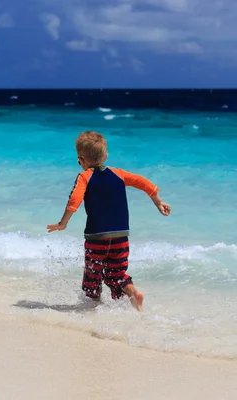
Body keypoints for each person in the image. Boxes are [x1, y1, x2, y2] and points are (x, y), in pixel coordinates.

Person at [46, 131, 171, 312]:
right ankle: (132, 293)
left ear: (81, 159)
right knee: (116, 273)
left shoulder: (84, 177)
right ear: (105, 156)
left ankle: (94, 308)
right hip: (121, 236)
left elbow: (75, 200)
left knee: (93, 275)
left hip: (97, 237)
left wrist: (62, 223)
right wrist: (158, 201)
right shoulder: (118, 174)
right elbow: (143, 182)